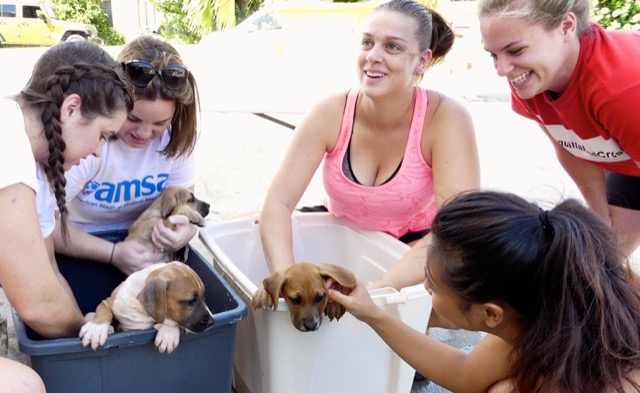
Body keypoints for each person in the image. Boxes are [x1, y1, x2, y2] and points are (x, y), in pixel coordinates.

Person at [329, 190, 640, 393]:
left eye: (433, 287)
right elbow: (465, 373)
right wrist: (371, 312)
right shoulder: (544, 310)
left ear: (491, 314)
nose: (424, 288)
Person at [259, 0, 480, 274]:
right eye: (367, 43)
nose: (373, 56)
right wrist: (286, 279)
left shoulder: (446, 118)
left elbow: (456, 229)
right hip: (338, 241)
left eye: (392, 46)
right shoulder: (330, 112)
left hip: (416, 254)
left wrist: (376, 294)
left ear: (422, 60)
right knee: (246, 224)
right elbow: (278, 203)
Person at [0, 41, 133, 390]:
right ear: (72, 108)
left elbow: (52, 277)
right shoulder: (7, 144)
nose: (97, 151)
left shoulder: (39, 170)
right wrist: (88, 329)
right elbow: (37, 303)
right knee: (24, 386)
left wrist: (88, 320)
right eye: (102, 135)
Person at [477, 0, 640, 256]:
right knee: (603, 257)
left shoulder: (621, 89)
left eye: (516, 50)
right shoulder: (531, 78)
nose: (502, 69)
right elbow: (570, 146)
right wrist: (600, 217)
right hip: (630, 160)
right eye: (494, 55)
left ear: (566, 26)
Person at [54, 35, 201, 275]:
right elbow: (43, 225)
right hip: (79, 245)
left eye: (160, 123)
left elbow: (184, 200)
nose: (143, 133)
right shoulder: (88, 140)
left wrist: (186, 230)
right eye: (132, 118)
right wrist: (112, 254)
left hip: (144, 245)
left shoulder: (177, 139)